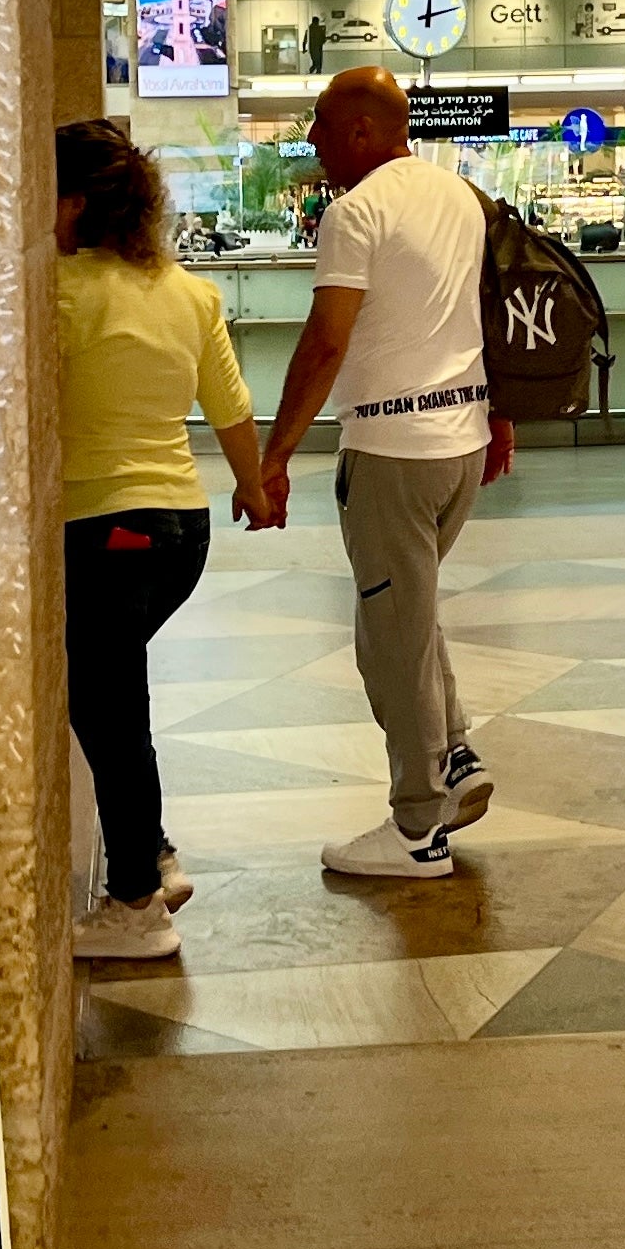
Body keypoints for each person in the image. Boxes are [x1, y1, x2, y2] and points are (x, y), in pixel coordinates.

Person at [258, 68, 512, 880]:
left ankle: (416, 831)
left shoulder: (355, 211)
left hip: (394, 450)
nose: (310, 142)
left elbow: (326, 341)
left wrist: (274, 454)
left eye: (320, 127)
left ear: (362, 130)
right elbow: (488, 312)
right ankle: (457, 755)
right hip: (460, 443)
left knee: (387, 642)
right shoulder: (460, 196)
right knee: (411, 611)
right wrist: (500, 414)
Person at [55, 121, 276, 961]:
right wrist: (253, 489)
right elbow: (230, 407)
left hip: (103, 524)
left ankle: (137, 904)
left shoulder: (61, 290)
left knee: (110, 713)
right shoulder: (186, 292)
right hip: (181, 531)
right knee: (109, 700)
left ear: (73, 203)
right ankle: (150, 851)